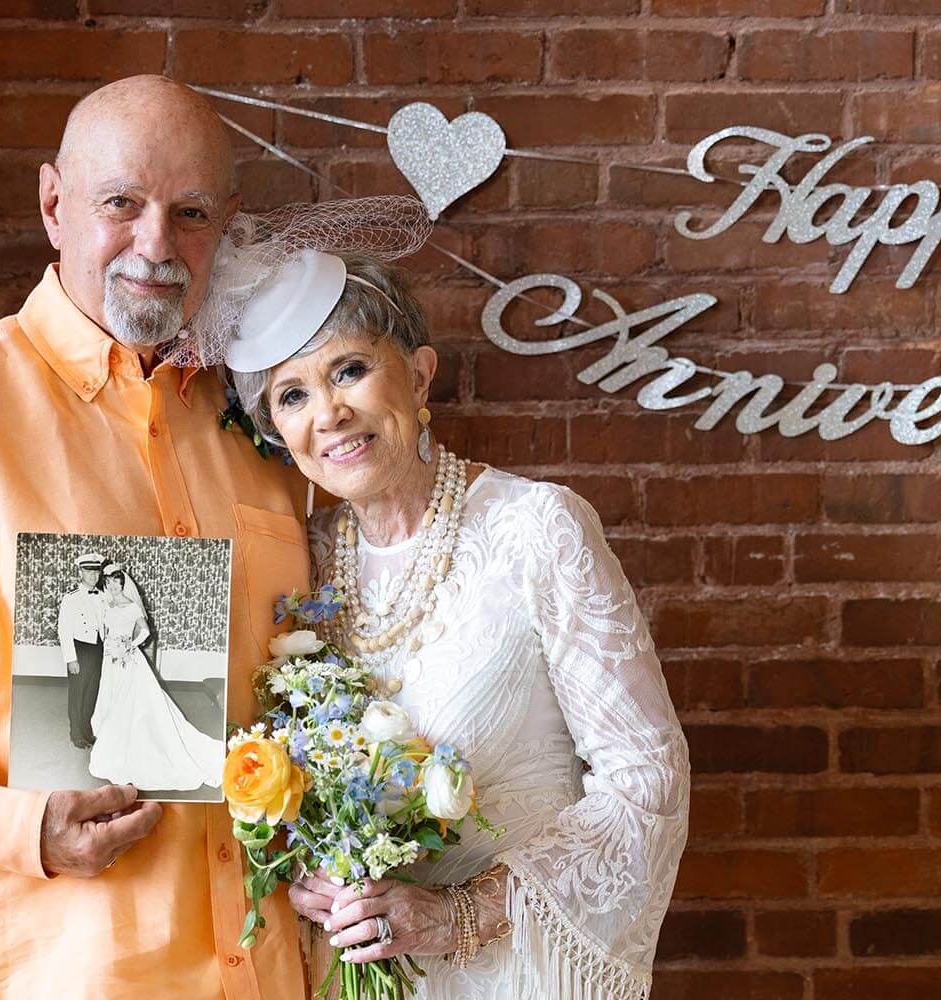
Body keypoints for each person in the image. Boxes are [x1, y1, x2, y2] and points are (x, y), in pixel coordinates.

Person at [0, 76, 312, 999]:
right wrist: (13, 827)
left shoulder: (269, 426)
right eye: (122, 203)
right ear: (52, 205)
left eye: (191, 212)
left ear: (227, 225)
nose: (156, 244)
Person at [216, 245, 691, 999]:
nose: (329, 414)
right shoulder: (303, 563)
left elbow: (647, 781)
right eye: (292, 395)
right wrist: (307, 870)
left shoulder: (538, 529)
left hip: (516, 975)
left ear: (419, 374)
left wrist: (458, 915)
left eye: (349, 370)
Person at [88, 563, 224, 791]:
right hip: (110, 659)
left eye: (116, 582)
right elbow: (107, 630)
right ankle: (110, 738)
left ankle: (127, 745)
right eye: (109, 582)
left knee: (128, 701)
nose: (112, 586)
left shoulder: (131, 606)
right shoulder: (107, 604)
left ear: (122, 583)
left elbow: (145, 631)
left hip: (127, 658)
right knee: (110, 695)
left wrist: (129, 645)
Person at [57, 551, 107, 748]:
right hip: (80, 648)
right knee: (78, 693)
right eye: (89, 571)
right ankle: (76, 733)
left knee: (92, 693)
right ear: (81, 572)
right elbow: (64, 630)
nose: (93, 576)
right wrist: (71, 658)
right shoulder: (71, 598)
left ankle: (87, 730)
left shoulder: (102, 596)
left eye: (96, 572)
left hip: (98, 647)